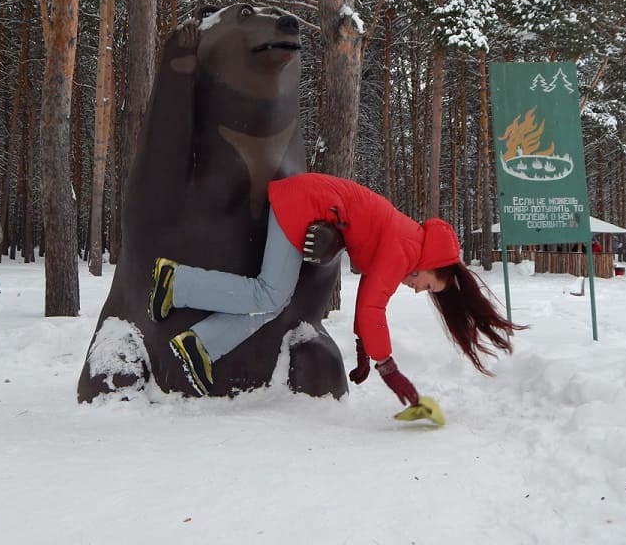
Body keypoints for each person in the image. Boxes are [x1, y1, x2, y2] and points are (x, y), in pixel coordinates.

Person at [149, 173, 524, 416]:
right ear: (433, 266)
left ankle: (200, 345)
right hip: (305, 203)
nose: (416, 288)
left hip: (309, 204)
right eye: (427, 285)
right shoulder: (406, 247)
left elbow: (369, 303)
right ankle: (177, 282)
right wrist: (391, 373)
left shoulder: (407, 244)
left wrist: (364, 353)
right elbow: (372, 308)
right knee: (269, 293)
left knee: (275, 300)